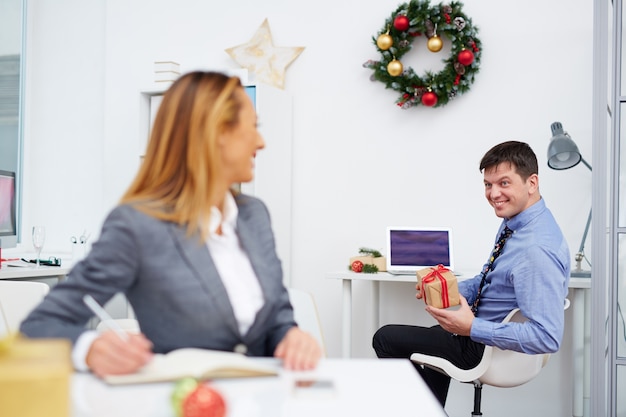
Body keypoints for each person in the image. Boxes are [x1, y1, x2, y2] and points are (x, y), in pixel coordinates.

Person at [20, 71, 321, 377]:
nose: (261, 141)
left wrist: (290, 337)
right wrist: (90, 349)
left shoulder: (254, 215)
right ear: (217, 131)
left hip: (264, 401)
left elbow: (277, 318)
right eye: (253, 126)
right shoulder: (137, 225)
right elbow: (38, 327)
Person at [372, 141, 570, 406]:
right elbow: (488, 280)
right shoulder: (517, 223)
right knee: (432, 342)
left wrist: (471, 327)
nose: (493, 193)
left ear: (531, 183)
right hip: (476, 334)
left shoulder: (535, 249)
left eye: (504, 183)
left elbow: (547, 337)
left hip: (484, 349)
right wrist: (445, 288)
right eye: (488, 185)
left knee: (384, 338)